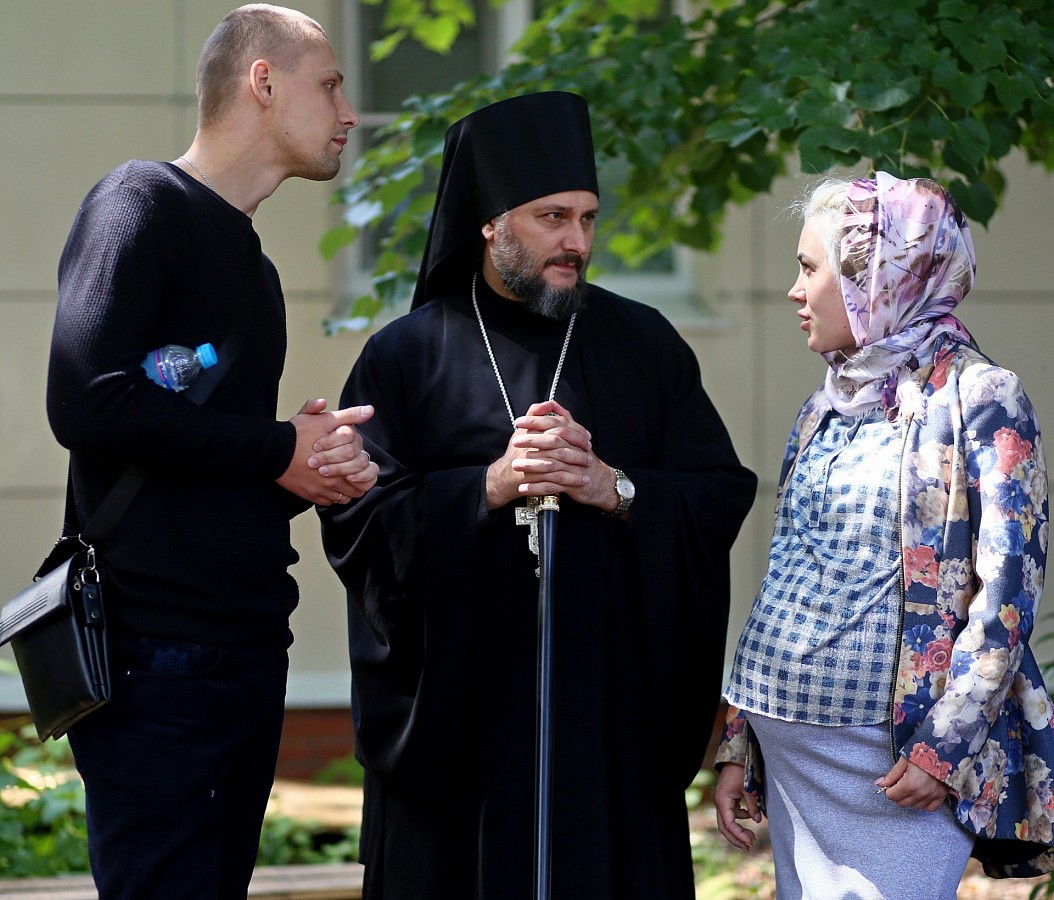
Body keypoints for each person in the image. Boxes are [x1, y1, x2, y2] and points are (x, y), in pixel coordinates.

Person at [317, 90, 757, 899]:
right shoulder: (406, 357)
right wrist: (488, 486)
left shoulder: (644, 343)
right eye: (553, 218)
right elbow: (358, 524)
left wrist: (611, 487)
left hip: (608, 734)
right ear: (490, 222)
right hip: (462, 738)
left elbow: (717, 495)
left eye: (587, 219)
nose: (577, 243)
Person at [45, 5, 377, 897]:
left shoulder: (257, 272)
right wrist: (275, 445)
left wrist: (306, 469)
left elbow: (199, 463)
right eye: (330, 85)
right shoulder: (139, 201)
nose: (349, 114)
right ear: (262, 82)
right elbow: (84, 401)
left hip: (247, 645)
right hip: (153, 654)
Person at [714, 172, 1054, 897]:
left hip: (895, 765)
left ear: (876, 280)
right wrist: (740, 739)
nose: (793, 291)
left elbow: (1009, 591)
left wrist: (947, 748)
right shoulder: (828, 402)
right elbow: (788, 571)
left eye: (810, 270)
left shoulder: (981, 396)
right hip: (792, 753)